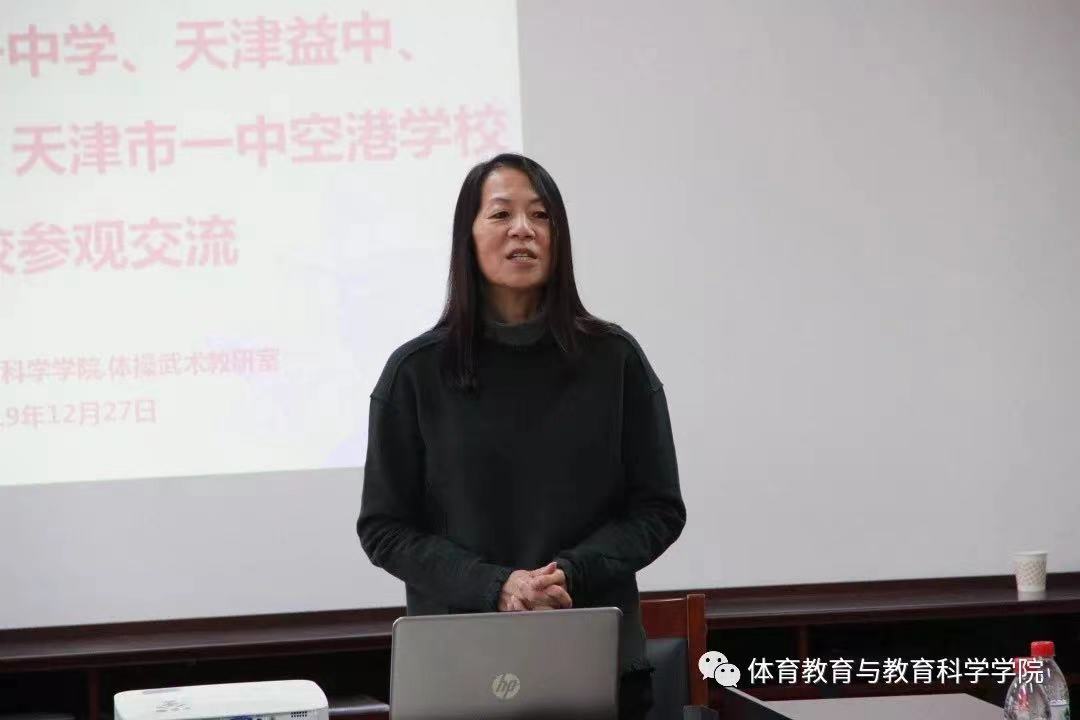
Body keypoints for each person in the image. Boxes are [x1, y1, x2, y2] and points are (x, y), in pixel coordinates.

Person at [356, 152, 686, 719]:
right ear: (467, 235)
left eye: (540, 215)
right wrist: (497, 586)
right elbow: (384, 528)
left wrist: (569, 574)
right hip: (459, 668)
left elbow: (658, 510)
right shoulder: (415, 372)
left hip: (594, 659)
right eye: (501, 214)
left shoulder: (614, 360)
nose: (523, 230)